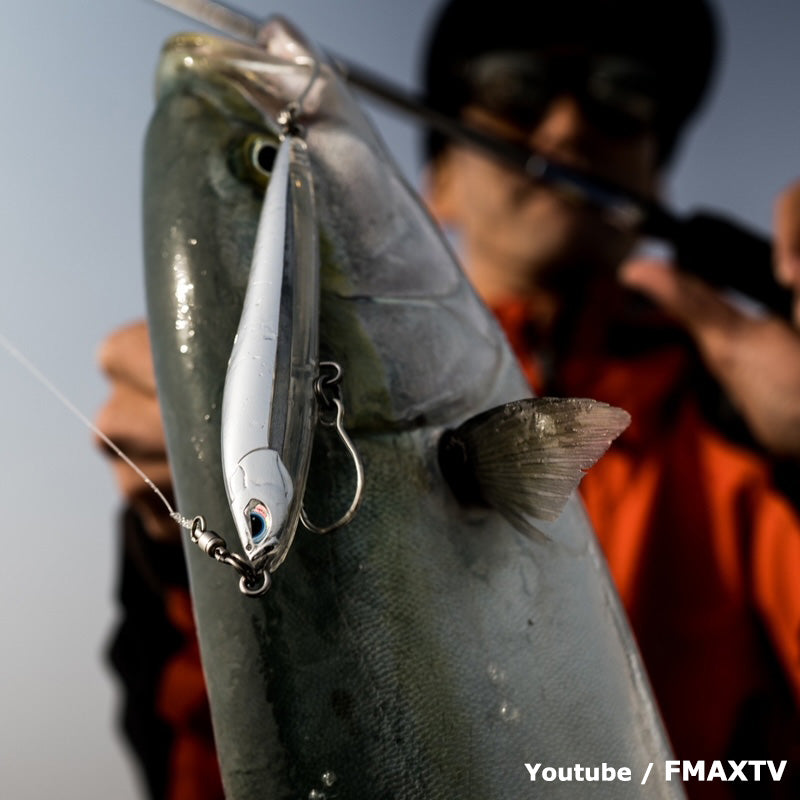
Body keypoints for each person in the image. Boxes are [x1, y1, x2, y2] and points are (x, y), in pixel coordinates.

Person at [97, 1, 800, 798]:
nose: (569, 127)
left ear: (655, 174)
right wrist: (173, 564)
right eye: (514, 89)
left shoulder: (746, 422)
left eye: (623, 94)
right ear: (436, 186)